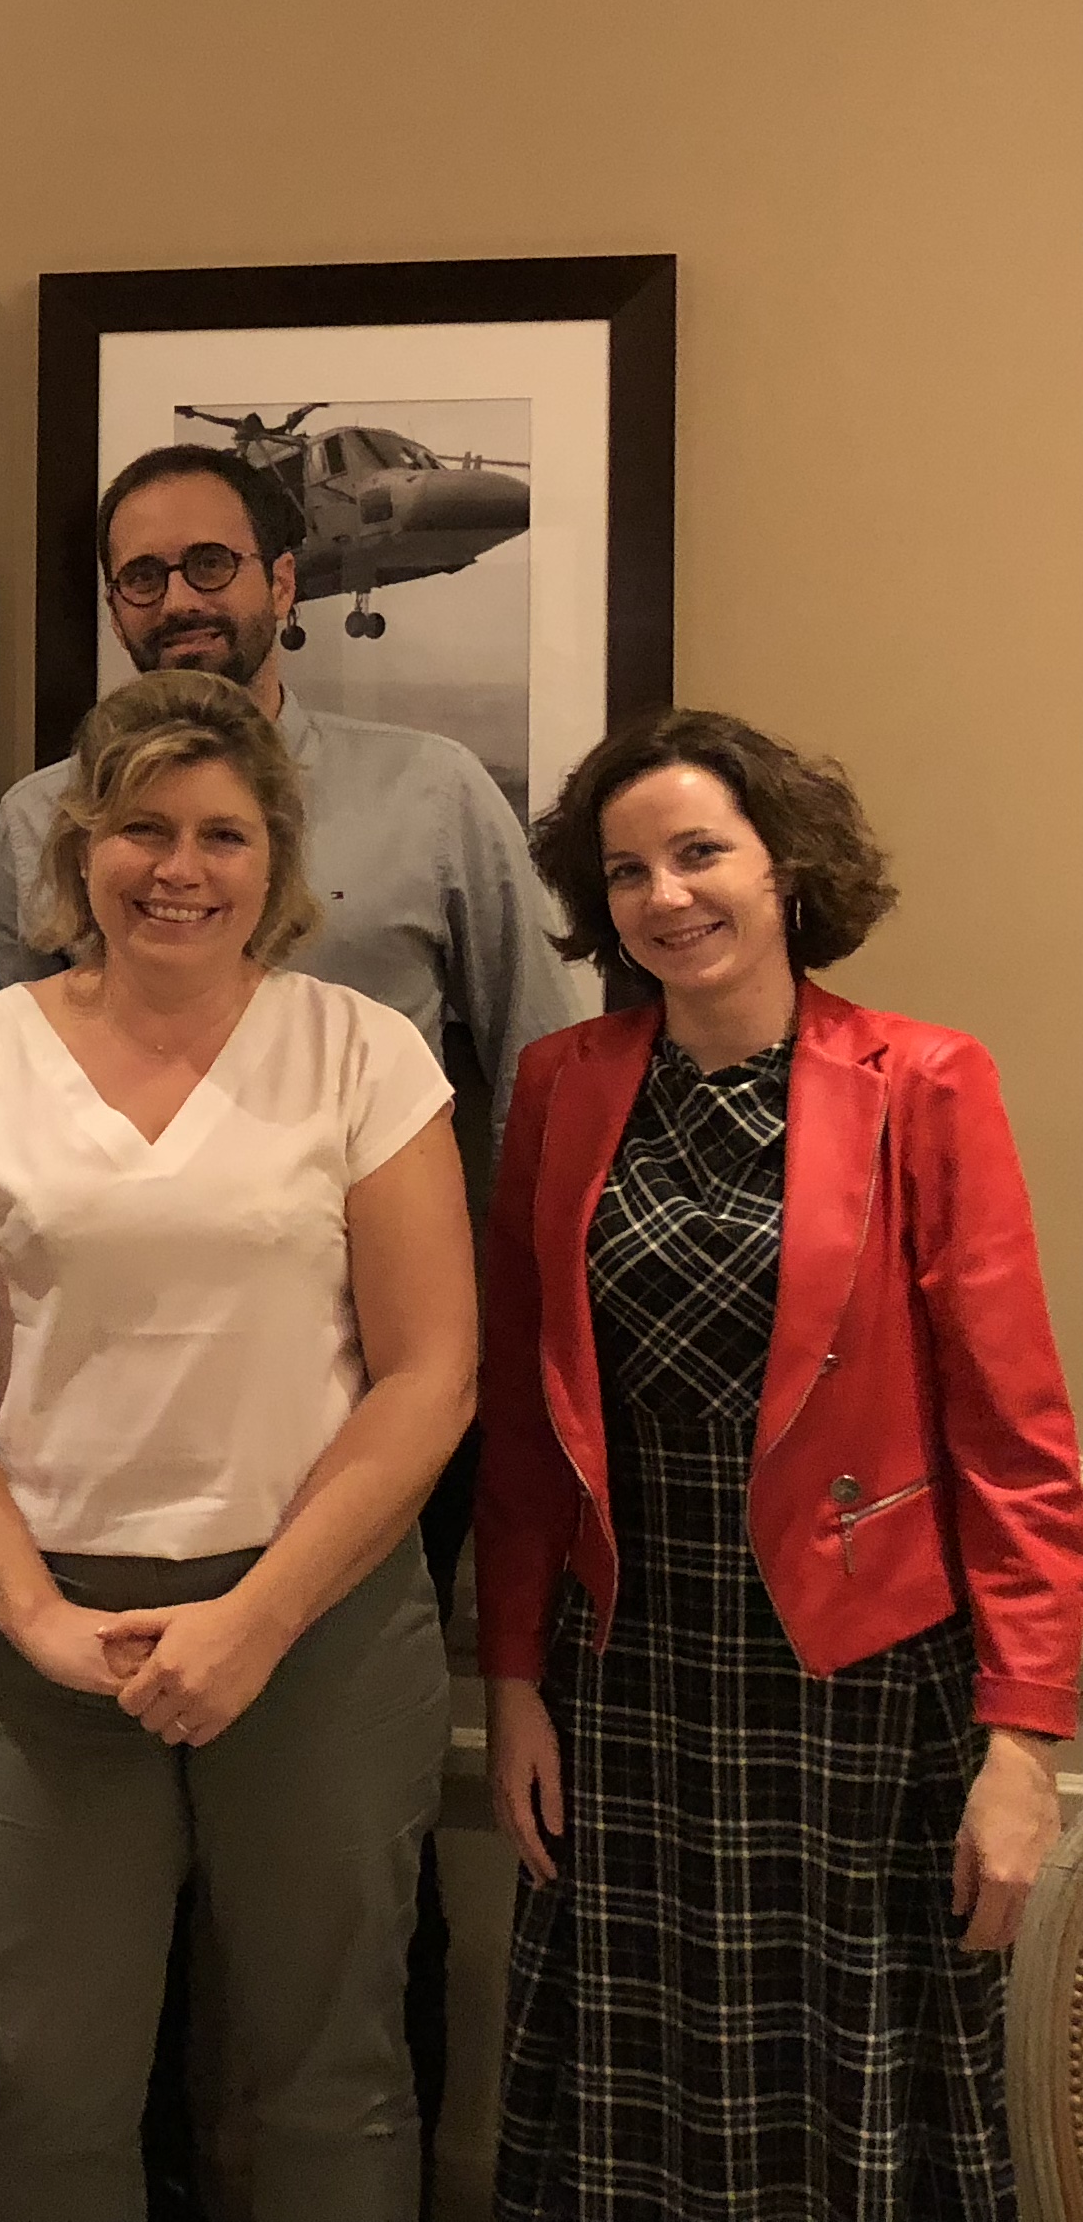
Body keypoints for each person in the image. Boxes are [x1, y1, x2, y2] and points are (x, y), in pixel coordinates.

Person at [0, 438, 586, 2171]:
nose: (174, 598)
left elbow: (536, 1086)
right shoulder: (39, 818)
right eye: (137, 575)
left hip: (386, 1420)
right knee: (110, 1953)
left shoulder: (434, 793)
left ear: (284, 583)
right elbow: (13, 1117)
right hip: (110, 1452)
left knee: (344, 1906)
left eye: (207, 563)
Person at [0, 671, 476, 2222]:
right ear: (82, 854)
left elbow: (431, 1373)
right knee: (48, 2084)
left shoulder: (364, 1057)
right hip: (54, 1636)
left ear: (277, 863)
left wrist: (257, 1622)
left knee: (333, 2078)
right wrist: (33, 1615)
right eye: (141, 828)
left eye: (221, 833)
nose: (178, 868)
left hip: (319, 1625)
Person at [476, 707, 1083, 2219]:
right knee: (640, 2075)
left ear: (786, 866)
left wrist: (1025, 1749)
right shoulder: (562, 1085)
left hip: (862, 1682)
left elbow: (1015, 1438)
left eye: (700, 853)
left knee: (851, 2077)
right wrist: (510, 1688)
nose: (665, 897)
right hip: (626, 1668)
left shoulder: (924, 1080)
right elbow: (522, 1424)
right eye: (626, 872)